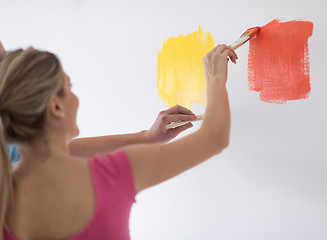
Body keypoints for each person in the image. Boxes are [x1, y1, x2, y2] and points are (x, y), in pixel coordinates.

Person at [0, 42, 237, 239]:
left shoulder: (5, 191)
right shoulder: (113, 174)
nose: (76, 96)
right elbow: (214, 137)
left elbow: (58, 154)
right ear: (56, 106)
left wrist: (147, 137)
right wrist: (215, 78)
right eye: (69, 86)